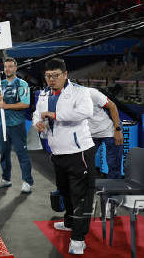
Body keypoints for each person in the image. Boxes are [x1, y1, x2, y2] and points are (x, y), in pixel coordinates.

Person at [33, 58, 95, 255]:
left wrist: (55, 115)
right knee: (65, 191)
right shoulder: (44, 94)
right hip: (57, 153)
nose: (51, 80)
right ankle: (69, 223)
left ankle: (78, 238)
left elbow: (86, 112)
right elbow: (37, 113)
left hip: (79, 152)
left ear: (65, 74)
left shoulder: (79, 92)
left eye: (55, 76)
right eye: (48, 76)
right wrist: (38, 123)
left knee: (81, 196)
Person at [0, 57, 34, 193]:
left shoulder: (22, 84)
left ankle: (27, 181)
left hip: (17, 125)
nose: (8, 69)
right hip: (2, 125)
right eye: (6, 67)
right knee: (3, 153)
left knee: (22, 154)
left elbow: (25, 104)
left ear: (16, 68)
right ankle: (6, 179)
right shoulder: (0, 84)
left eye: (10, 66)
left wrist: (6, 105)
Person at [87, 87, 123, 179]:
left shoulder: (92, 93)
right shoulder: (67, 99)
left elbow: (112, 106)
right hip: (90, 133)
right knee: (83, 163)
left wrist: (117, 130)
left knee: (113, 164)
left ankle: (113, 191)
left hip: (110, 130)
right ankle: (85, 189)